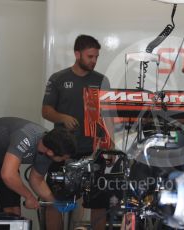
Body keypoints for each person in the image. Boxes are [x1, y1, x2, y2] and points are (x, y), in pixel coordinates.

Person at [42, 34, 114, 230]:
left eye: (96, 57)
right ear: (77, 54)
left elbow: (108, 117)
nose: (94, 61)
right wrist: (62, 118)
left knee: (98, 203)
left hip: (93, 151)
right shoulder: (58, 79)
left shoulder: (101, 81)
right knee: (56, 201)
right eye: (90, 56)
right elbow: (46, 110)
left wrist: (110, 145)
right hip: (63, 152)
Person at [0, 117, 76, 216]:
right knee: (11, 208)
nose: (64, 161)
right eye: (63, 158)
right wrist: (29, 197)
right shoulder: (26, 138)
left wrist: (56, 203)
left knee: (13, 213)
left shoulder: (48, 148)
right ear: (50, 152)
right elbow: (8, 175)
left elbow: (37, 180)